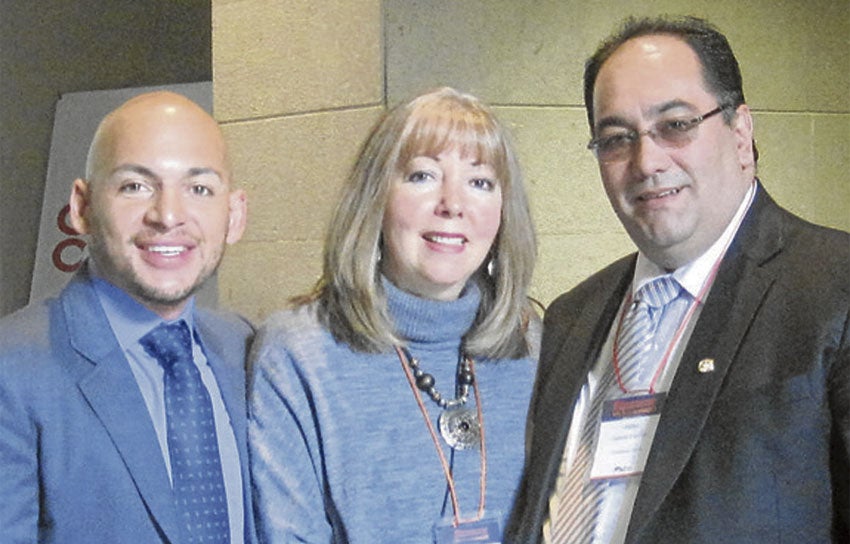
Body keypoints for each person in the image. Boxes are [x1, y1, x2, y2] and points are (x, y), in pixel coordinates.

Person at [506, 15, 849, 544]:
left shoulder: (832, 285)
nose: (646, 162)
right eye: (616, 138)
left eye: (676, 125)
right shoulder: (573, 316)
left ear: (741, 133)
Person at [249, 87, 539, 543]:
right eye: (423, 176)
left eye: (480, 182)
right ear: (375, 197)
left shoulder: (534, 345)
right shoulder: (298, 353)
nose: (453, 204)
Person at [0, 91, 254, 543]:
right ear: (81, 207)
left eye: (199, 189)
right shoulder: (12, 370)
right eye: (135, 186)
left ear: (234, 216)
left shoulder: (251, 351)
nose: (168, 216)